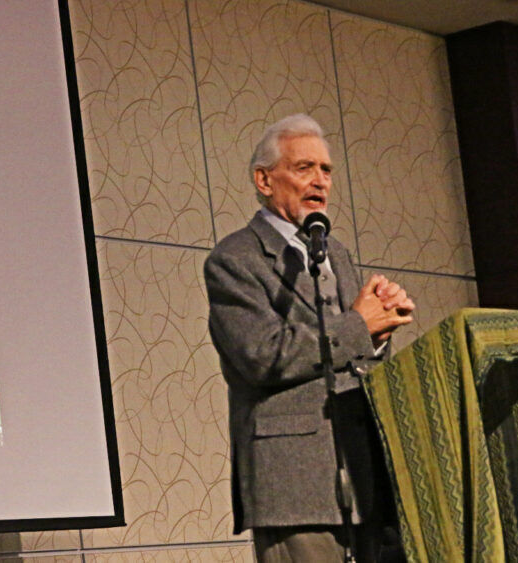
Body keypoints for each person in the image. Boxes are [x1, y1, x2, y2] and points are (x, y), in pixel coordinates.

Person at [204, 114, 415, 562]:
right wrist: (360, 324)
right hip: (294, 485)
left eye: (327, 170)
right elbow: (261, 355)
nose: (320, 181)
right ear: (264, 179)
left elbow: (352, 355)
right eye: (305, 168)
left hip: (366, 476)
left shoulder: (334, 251)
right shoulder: (235, 258)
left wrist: (380, 331)